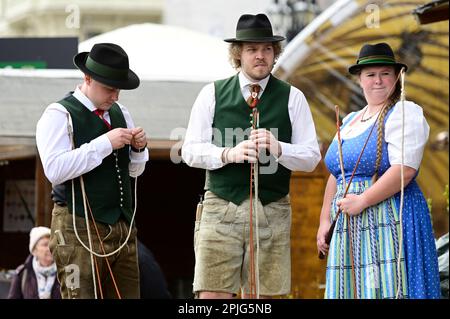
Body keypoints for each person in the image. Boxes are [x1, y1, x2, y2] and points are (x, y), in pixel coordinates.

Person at [182, 13, 321, 299]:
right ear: (238, 54)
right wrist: (227, 153)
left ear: (275, 53)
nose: (261, 56)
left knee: (267, 297)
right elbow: (189, 151)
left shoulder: (293, 97)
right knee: (212, 296)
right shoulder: (212, 93)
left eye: (267, 49)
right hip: (220, 207)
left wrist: (280, 147)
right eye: (252, 49)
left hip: (272, 209)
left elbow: (311, 157)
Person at [317, 42, 441, 299]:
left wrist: (362, 200)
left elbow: (404, 170)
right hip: (349, 224)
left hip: (391, 216)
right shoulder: (351, 119)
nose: (378, 81)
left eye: (385, 73)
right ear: (359, 79)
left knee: (386, 288)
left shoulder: (404, 113)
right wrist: (324, 222)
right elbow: (337, 174)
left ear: (396, 78)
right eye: (371, 74)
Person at [36, 43, 149, 299]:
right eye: (109, 88)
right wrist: (105, 143)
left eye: (119, 89)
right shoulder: (59, 113)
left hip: (121, 227)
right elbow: (54, 170)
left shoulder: (122, 113)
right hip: (76, 226)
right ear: (87, 78)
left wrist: (139, 149)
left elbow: (134, 172)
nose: (115, 96)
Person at [8, 226, 61, 299]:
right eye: (45, 245)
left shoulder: (65, 271)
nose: (50, 248)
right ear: (34, 250)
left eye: (52, 244)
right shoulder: (22, 273)